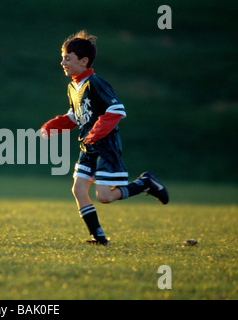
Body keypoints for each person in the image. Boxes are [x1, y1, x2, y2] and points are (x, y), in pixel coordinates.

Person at [40, 31, 169, 245]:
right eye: (63, 57)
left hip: (104, 147)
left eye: (67, 58)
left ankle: (145, 183)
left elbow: (116, 110)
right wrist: (51, 126)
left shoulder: (96, 83)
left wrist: (95, 133)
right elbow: (75, 117)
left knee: (104, 197)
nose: (63, 62)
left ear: (84, 61)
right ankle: (99, 238)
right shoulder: (73, 86)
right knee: (78, 190)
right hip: (88, 147)